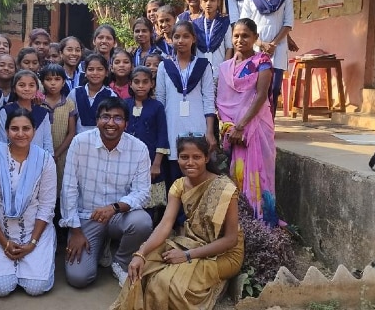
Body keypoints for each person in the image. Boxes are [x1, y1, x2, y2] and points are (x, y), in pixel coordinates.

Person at [110, 136, 244, 310]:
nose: (190, 162)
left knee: (167, 284)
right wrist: (140, 254)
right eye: (184, 157)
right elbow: (165, 225)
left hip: (224, 254)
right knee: (145, 266)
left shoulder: (225, 189)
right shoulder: (179, 185)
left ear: (206, 158)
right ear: (177, 158)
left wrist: (188, 255)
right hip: (191, 241)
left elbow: (230, 240)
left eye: (196, 157)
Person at [60, 97, 153, 288]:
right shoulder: (80, 143)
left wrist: (114, 208)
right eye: (106, 117)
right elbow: (68, 188)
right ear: (97, 121)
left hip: (119, 215)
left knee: (142, 222)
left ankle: (120, 261)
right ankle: (101, 245)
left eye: (118, 118)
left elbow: (143, 192)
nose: (111, 123)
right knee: (79, 278)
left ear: (126, 124)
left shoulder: (139, 148)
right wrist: (76, 231)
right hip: (87, 217)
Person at [0, 108, 57, 297]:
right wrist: (4, 242)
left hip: (34, 231)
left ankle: (30, 263)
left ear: (34, 131)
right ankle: (3, 265)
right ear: (6, 131)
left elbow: (46, 206)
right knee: (0, 287)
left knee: (35, 287)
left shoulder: (45, 160)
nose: (20, 134)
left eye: (26, 128)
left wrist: (33, 243)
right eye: (14, 129)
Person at [217, 18, 279, 227]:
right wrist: (230, 128)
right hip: (233, 131)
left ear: (254, 37)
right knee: (238, 173)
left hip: (257, 126)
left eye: (245, 35)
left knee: (261, 174)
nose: (240, 39)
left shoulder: (262, 62)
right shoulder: (225, 68)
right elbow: (223, 103)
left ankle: (263, 222)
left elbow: (261, 95)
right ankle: (242, 222)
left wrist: (242, 127)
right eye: (236, 35)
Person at [156, 21, 216, 187]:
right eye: (176, 36)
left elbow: (208, 99)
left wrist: (210, 132)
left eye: (185, 36)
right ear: (171, 40)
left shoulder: (203, 66)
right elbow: (160, 100)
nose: (180, 40)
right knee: (174, 176)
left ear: (194, 39)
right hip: (172, 126)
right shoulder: (164, 66)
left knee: (195, 170)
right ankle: (175, 213)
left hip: (197, 126)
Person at [240, 0, 293, 118]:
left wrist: (273, 44)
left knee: (274, 88)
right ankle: (253, 123)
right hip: (255, 49)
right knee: (254, 88)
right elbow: (244, 25)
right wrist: (261, 43)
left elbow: (288, 22)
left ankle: (269, 126)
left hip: (278, 49)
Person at [125, 67, 169, 225]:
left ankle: (149, 234)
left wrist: (156, 164)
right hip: (127, 160)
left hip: (151, 160)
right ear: (130, 84)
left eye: (145, 82)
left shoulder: (157, 107)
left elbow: (162, 136)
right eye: (136, 82)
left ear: (152, 84)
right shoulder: (125, 104)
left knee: (149, 201)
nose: (141, 86)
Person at [40, 64, 77, 194]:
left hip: (62, 154)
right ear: (42, 82)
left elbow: (71, 132)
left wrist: (57, 153)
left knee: (60, 186)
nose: (53, 83)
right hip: (41, 153)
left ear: (63, 82)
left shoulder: (69, 104)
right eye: (48, 79)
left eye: (57, 79)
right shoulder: (38, 103)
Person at [0, 70, 54, 153]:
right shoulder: (6, 111)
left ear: (37, 89)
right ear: (14, 89)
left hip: (38, 159)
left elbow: (47, 141)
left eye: (31, 85)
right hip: (12, 160)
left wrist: (48, 159)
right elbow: (2, 141)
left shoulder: (43, 112)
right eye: (22, 85)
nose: (27, 89)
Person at [68, 54, 117, 134]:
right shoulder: (75, 93)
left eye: (100, 69)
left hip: (102, 139)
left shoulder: (111, 95)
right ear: (85, 73)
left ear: (106, 73)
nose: (95, 73)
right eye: (90, 69)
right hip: (78, 140)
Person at [193, 0, 233, 80]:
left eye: (212, 0)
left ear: (218, 2)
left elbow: (229, 48)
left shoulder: (225, 23)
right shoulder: (195, 24)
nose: (208, 3)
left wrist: (224, 70)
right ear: (200, 3)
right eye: (205, 0)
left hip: (219, 71)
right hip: (199, 71)